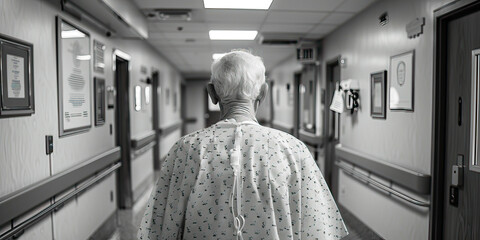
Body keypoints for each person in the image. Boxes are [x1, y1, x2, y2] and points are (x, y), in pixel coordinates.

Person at [138, 50, 348, 240]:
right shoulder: (293, 150)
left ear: (211, 93)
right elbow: (319, 230)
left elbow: (158, 229)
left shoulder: (185, 149)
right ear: (263, 93)